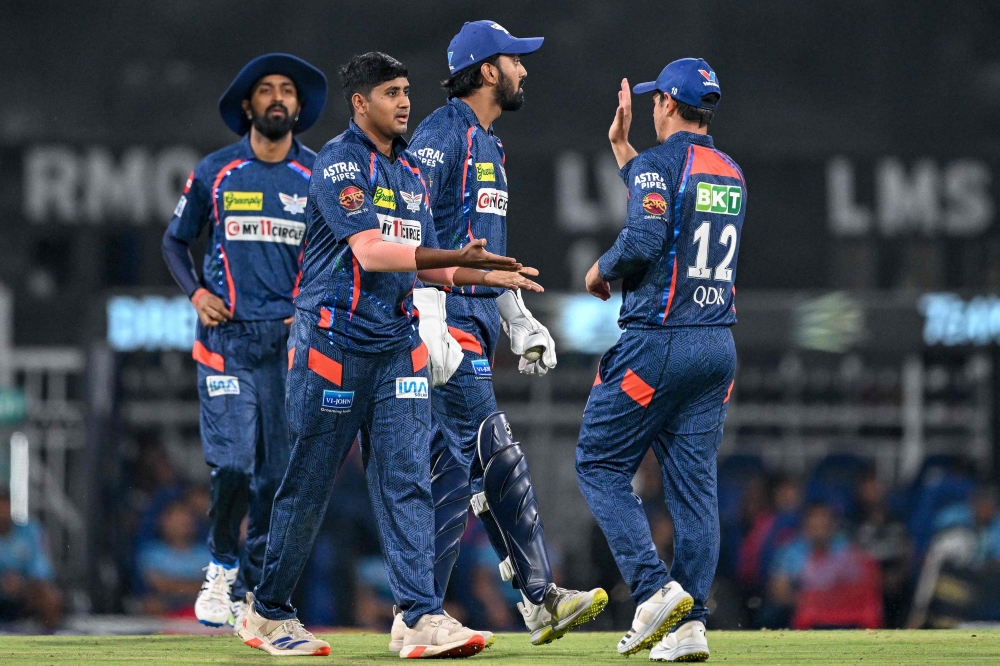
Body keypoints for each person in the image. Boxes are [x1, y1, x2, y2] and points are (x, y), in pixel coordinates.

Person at [238, 52, 541, 658]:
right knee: (310, 484)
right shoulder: (338, 163)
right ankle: (266, 613)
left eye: (406, 91)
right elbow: (374, 254)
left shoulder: (410, 176)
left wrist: (489, 277)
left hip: (395, 345)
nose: (405, 103)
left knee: (407, 482)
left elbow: (432, 263)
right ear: (360, 103)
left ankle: (422, 616)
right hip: (334, 345)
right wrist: (452, 261)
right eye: (391, 93)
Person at [404, 20, 606, 650]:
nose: (525, 69)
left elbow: (486, 251)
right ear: (487, 70)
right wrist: (429, 315)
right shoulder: (440, 135)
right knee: (495, 455)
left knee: (463, 470)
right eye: (516, 60)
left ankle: (441, 610)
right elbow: (410, 226)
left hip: (476, 323)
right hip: (443, 327)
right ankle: (453, 611)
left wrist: (515, 314)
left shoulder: (489, 146)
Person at [574, 58, 744, 662]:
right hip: (715, 348)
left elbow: (647, 236)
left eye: (654, 101)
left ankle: (651, 589)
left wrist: (601, 268)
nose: (651, 108)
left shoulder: (657, 167)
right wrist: (623, 149)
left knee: (598, 461)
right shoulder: (730, 171)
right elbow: (670, 203)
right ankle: (690, 623)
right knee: (695, 492)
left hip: (660, 341)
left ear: (667, 104)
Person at [160, 53, 327, 630]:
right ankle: (219, 569)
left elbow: (336, 255)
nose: (277, 98)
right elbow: (174, 242)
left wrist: (306, 311)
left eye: (287, 90)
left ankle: (253, 592)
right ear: (247, 105)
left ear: (299, 108)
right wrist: (194, 294)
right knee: (231, 462)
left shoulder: (319, 178)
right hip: (226, 340)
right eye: (266, 90)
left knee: (276, 478)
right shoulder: (216, 171)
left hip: (289, 348)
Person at [0, 490, 61, 629]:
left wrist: (22, 583)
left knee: (49, 596)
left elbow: (42, 568)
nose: (1, 514)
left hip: (25, 590)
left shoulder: (31, 531)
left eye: (4, 509)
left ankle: (46, 640)